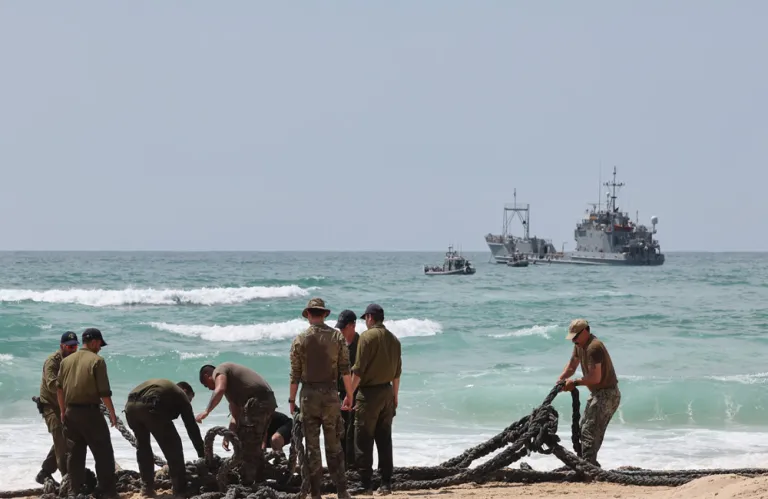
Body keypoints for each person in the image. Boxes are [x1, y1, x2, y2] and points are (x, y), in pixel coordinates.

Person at [289, 297, 354, 499]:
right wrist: (350, 395)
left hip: (308, 397)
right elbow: (345, 370)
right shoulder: (337, 337)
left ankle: (316, 493)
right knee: (334, 444)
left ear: (308, 314)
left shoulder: (300, 339)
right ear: (324, 314)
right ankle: (342, 491)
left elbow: (295, 374)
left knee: (312, 447)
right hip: (331, 395)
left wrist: (292, 401)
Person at [343, 304, 402, 495]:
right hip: (387, 393)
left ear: (369, 317)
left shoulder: (366, 337)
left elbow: (358, 370)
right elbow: (397, 373)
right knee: (385, 439)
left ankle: (365, 484)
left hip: (368, 395)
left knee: (363, 440)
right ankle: (386, 483)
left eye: (365, 318)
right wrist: (395, 396)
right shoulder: (394, 339)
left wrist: (349, 395)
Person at [56, 328, 118, 499]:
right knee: (103, 453)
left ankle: (73, 491)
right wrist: (112, 414)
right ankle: (108, 492)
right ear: (94, 342)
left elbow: (59, 389)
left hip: (70, 413)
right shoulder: (97, 361)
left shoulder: (66, 361)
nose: (100, 348)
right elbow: (104, 392)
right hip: (90, 413)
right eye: (100, 344)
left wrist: (62, 411)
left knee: (75, 455)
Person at [196, 362, 277, 484]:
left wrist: (207, 411)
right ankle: (260, 479)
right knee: (254, 443)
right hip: (267, 401)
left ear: (208, 375)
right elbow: (235, 415)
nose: (207, 388)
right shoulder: (233, 389)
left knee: (247, 443)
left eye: (205, 384)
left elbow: (220, 389)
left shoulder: (220, 369)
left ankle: (247, 483)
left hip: (257, 401)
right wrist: (229, 436)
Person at [125, 379, 205, 498]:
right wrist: (202, 453)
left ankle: (147, 489)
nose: (189, 403)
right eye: (190, 399)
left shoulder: (164, 389)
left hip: (130, 408)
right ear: (185, 391)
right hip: (150, 406)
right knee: (174, 447)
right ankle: (180, 491)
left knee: (143, 447)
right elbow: (191, 426)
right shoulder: (180, 394)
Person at [558, 319, 621, 467]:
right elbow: (572, 365)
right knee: (583, 428)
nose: (573, 340)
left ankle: (589, 467)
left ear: (585, 331)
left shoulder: (594, 347)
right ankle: (587, 464)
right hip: (597, 393)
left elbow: (595, 377)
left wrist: (574, 383)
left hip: (608, 394)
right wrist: (561, 379)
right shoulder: (579, 345)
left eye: (576, 336)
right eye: (572, 337)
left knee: (589, 431)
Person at [35, 331, 79, 484]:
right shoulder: (52, 362)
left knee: (66, 439)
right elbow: (52, 385)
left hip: (66, 405)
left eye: (75, 346)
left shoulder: (75, 361)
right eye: (69, 346)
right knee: (60, 437)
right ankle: (66, 478)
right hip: (50, 406)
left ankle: (45, 472)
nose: (73, 349)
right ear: (62, 346)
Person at [335, 309, 360, 469]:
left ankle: (354, 467)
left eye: (344, 327)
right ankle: (343, 468)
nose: (342, 331)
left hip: (357, 394)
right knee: (341, 432)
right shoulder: (340, 344)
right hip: (340, 395)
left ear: (353, 326)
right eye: (340, 328)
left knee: (354, 433)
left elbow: (360, 372)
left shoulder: (361, 345)